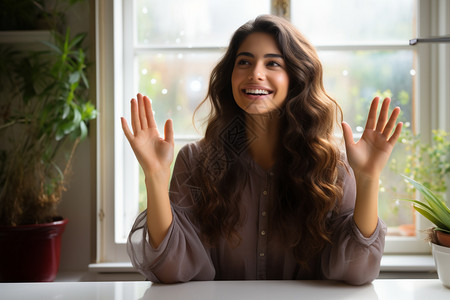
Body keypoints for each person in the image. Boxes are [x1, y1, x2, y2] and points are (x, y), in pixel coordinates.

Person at [121, 15, 402, 285]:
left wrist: (368, 180)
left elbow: (357, 271)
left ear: (296, 77)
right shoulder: (197, 162)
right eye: (244, 62)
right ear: (230, 76)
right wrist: (154, 176)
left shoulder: (331, 166)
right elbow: (171, 268)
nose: (255, 74)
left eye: (273, 64)